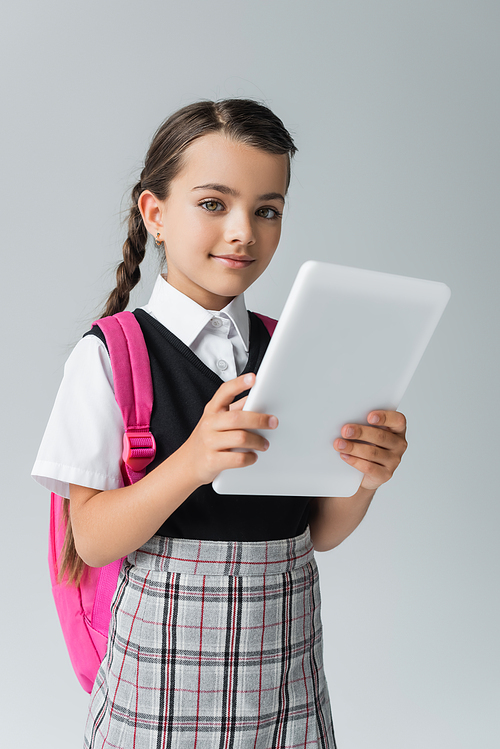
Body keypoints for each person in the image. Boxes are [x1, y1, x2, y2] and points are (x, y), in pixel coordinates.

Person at [32, 99, 407, 749]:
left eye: (267, 209)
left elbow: (316, 530)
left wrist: (365, 479)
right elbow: (89, 539)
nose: (243, 231)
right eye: (214, 204)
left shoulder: (293, 349)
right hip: (160, 681)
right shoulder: (112, 357)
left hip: (285, 674)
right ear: (155, 213)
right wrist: (191, 462)